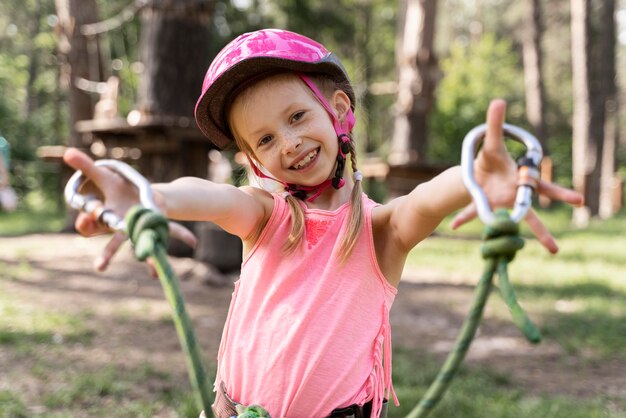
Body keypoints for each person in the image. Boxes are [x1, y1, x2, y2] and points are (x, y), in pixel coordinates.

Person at [63, 29, 583, 418]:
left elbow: (425, 200)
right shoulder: (264, 216)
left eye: (296, 117)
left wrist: (473, 177)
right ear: (254, 161)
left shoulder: (382, 233)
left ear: (338, 111)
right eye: (264, 139)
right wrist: (148, 195)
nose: (287, 142)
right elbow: (211, 197)